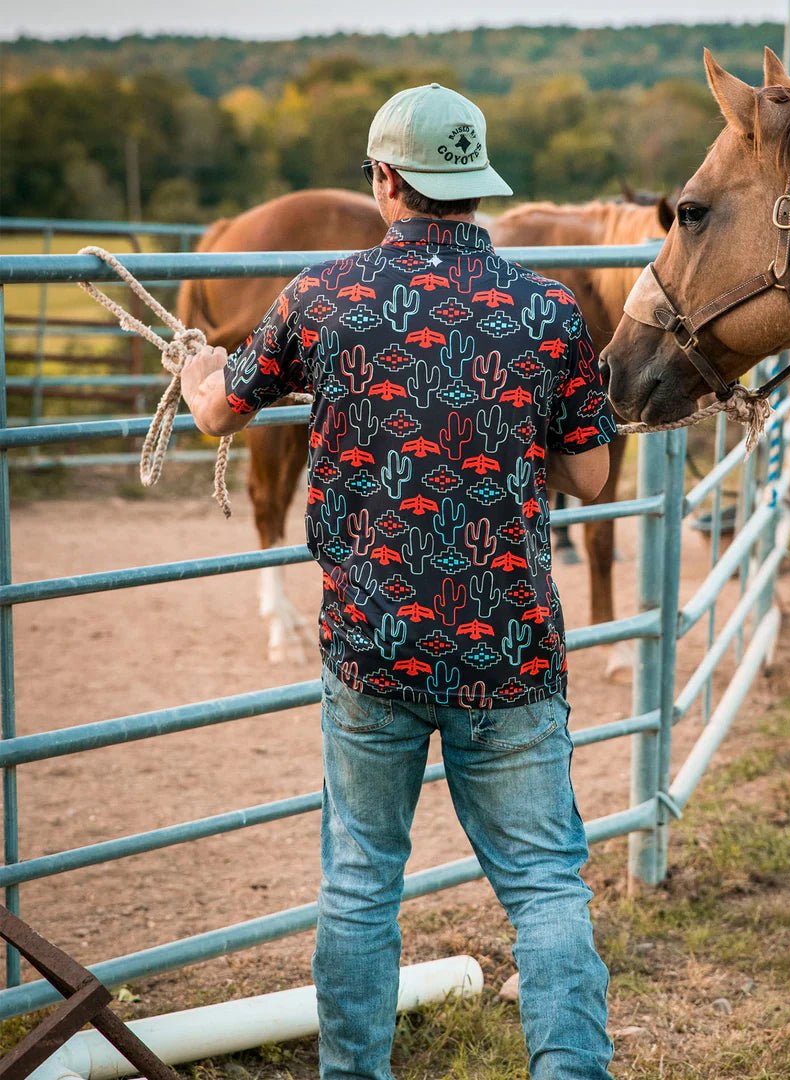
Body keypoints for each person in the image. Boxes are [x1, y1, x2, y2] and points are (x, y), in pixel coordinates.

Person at [181, 82, 617, 1080]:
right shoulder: (548, 309)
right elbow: (592, 475)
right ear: (478, 184)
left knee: (360, 886)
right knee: (546, 887)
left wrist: (200, 367)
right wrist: (514, 430)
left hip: (372, 647)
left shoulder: (320, 296)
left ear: (384, 179)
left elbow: (217, 415)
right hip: (509, 651)